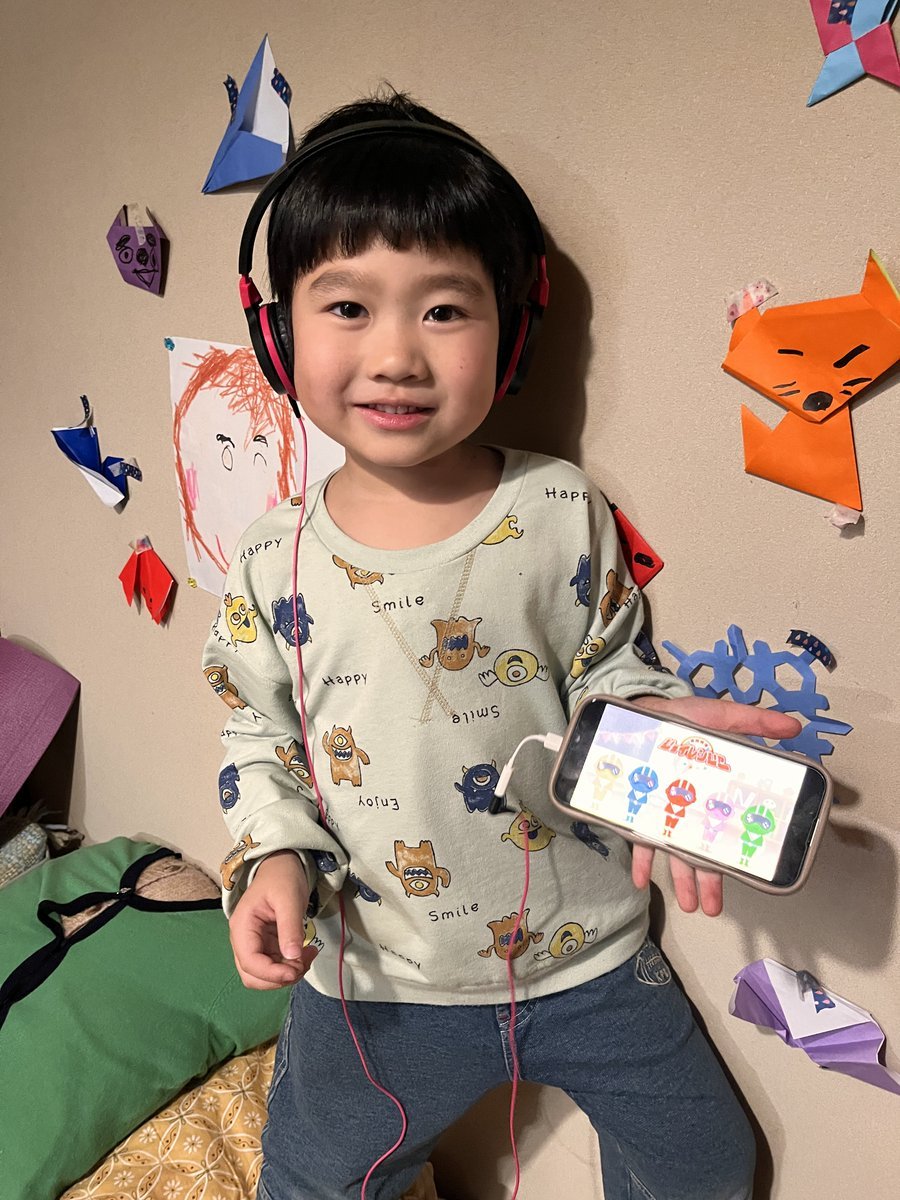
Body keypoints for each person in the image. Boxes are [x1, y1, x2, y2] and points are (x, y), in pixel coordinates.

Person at [202, 86, 800, 1200]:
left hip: (590, 956)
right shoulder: (269, 558)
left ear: (513, 334)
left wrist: (650, 722)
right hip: (377, 982)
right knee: (310, 1180)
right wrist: (272, 856)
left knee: (705, 1166)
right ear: (276, 332)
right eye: (347, 307)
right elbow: (258, 736)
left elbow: (609, 669)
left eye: (444, 310)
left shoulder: (561, 507)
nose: (396, 355)